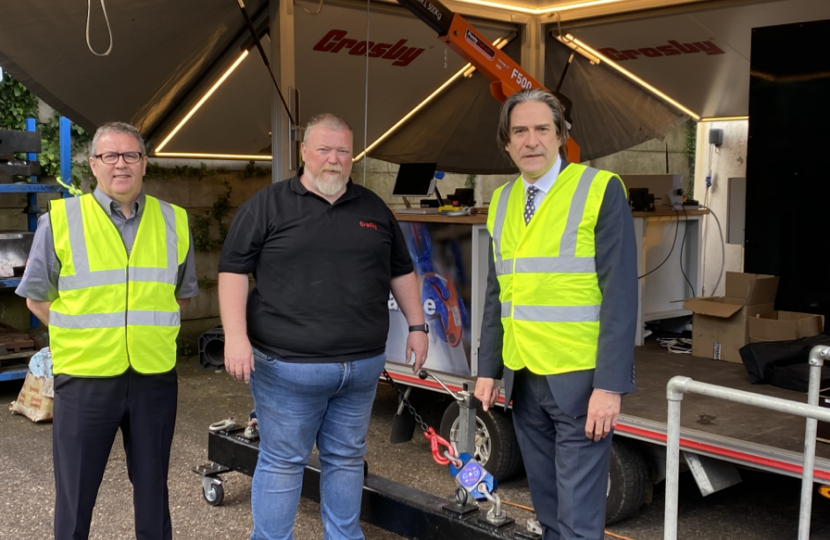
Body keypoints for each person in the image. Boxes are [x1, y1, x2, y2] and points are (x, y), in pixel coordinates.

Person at [218, 113, 428, 540]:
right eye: (324, 150)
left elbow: (401, 271)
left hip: (362, 369)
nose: (334, 160)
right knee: (283, 460)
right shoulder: (267, 205)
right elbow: (233, 272)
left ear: (353, 156)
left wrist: (418, 326)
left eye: (343, 151)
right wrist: (236, 337)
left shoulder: (373, 207)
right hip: (287, 368)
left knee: (347, 459)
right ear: (303, 153)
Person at [16, 121, 198, 540]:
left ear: (144, 163)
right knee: (76, 495)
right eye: (109, 156)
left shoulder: (174, 220)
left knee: (154, 490)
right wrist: (82, 335)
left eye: (131, 155)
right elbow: (36, 297)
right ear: (93, 165)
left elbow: (181, 295)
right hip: (85, 379)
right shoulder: (60, 220)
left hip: (153, 378)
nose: (121, 164)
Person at [474, 89, 637, 540]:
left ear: (561, 136)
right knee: (547, 507)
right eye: (519, 131)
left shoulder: (599, 189)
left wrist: (610, 385)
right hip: (524, 378)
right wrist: (488, 368)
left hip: (581, 381)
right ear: (506, 143)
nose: (531, 141)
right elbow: (497, 292)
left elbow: (621, 296)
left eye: (542, 129)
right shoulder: (504, 200)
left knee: (579, 520)